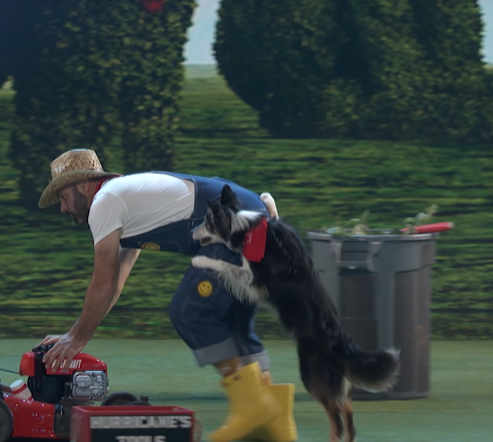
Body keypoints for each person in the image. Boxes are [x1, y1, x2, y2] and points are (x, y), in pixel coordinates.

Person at [35, 148, 297, 442]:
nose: (62, 207)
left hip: (234, 222)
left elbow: (103, 283)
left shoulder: (104, 202)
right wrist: (74, 334)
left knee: (189, 312)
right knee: (235, 322)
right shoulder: (125, 196)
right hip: (254, 218)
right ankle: (277, 423)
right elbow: (116, 282)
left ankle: (255, 409)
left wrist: (77, 339)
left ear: (83, 185)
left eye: (63, 197)